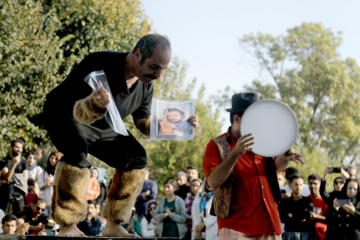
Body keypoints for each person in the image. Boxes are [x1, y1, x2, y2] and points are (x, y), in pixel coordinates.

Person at [42, 33, 199, 237]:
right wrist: (94, 103)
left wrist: (176, 126)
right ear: (138, 54)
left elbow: (142, 123)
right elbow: (77, 110)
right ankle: (67, 225)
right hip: (64, 114)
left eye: (163, 69)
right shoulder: (99, 63)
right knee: (76, 152)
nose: (158, 75)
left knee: (136, 158)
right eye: (154, 67)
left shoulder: (145, 85)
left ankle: (113, 224)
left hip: (102, 125)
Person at [203, 92, 304, 240]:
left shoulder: (264, 139)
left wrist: (284, 157)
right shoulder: (217, 145)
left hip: (270, 222)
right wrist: (235, 153)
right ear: (236, 119)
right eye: (253, 119)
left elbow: (275, 167)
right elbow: (212, 182)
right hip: (235, 225)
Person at [279, 175, 314, 240]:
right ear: (291, 185)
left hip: (305, 234)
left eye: (300, 185)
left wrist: (291, 215)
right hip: (289, 234)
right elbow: (283, 219)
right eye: (296, 184)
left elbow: (308, 216)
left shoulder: (307, 201)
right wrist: (300, 216)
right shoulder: (285, 202)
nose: (298, 187)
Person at [0, 139, 29, 217]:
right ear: (11, 148)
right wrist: (13, 165)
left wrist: (7, 181)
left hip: (19, 193)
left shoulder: (24, 162)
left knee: (19, 216)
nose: (19, 149)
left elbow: (24, 179)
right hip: (5, 194)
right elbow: (8, 177)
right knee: (3, 216)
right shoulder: (3, 161)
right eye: (17, 147)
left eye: (21, 148)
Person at [37, 151, 61, 216]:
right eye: (52, 158)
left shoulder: (60, 172)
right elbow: (39, 186)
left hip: (55, 201)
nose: (53, 160)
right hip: (44, 201)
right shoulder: (44, 171)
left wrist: (53, 180)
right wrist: (47, 184)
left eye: (56, 159)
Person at [307, 173, 327, 240]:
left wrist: (316, 216)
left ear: (320, 185)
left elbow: (330, 219)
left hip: (322, 235)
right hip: (307, 234)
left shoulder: (325, 201)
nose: (312, 185)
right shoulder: (305, 200)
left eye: (315, 183)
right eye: (310, 183)